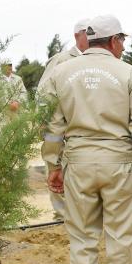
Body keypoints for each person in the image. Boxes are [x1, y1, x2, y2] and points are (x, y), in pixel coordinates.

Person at [40, 15, 132, 264]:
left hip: (77, 164)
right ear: (114, 40)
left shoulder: (62, 72)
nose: (123, 46)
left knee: (81, 235)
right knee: (119, 234)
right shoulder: (127, 73)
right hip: (118, 163)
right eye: (123, 40)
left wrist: (53, 164)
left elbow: (52, 126)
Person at [38, 18, 90, 222]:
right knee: (57, 170)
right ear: (77, 35)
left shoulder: (97, 61)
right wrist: (47, 126)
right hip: (62, 130)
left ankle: (80, 216)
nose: (92, 36)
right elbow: (44, 96)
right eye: (88, 32)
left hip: (85, 132)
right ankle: (61, 216)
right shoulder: (61, 60)